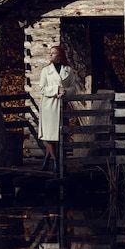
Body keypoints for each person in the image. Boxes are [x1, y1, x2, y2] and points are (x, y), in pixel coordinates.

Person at [38, 45, 75, 173]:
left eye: (53, 53)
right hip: (49, 105)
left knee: (58, 135)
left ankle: (47, 159)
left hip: (62, 105)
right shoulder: (45, 71)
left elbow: (73, 88)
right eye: (50, 53)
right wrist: (55, 90)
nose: (50, 55)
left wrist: (65, 91)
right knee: (49, 135)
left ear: (60, 56)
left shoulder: (68, 70)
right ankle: (55, 161)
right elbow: (41, 89)